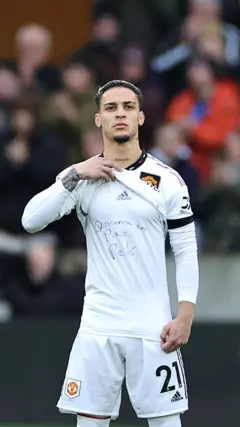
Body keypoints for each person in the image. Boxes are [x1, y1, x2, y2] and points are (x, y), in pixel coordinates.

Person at [21, 80, 198, 427]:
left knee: (166, 423)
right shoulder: (81, 178)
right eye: (112, 108)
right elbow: (30, 221)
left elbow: (186, 249)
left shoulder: (167, 180)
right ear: (99, 119)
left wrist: (186, 314)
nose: (120, 114)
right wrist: (74, 173)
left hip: (152, 324)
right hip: (99, 325)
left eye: (128, 108)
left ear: (141, 118)